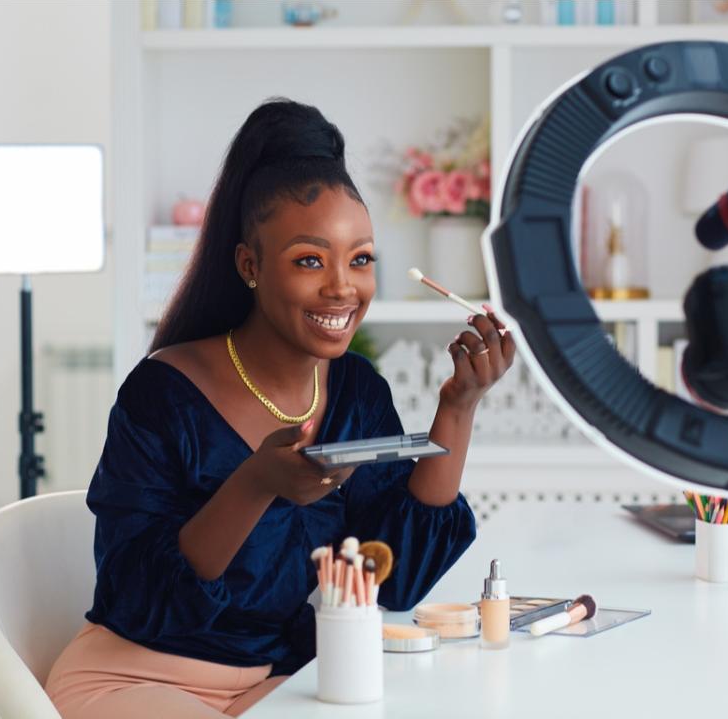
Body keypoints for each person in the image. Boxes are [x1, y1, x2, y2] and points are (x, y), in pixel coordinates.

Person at [44, 98, 516, 718]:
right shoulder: (162, 395)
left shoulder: (355, 391)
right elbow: (138, 598)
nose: (342, 287)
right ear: (249, 265)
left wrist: (458, 407)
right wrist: (256, 484)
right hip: (138, 681)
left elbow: (395, 581)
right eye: (310, 261)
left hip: (283, 683)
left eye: (361, 259)